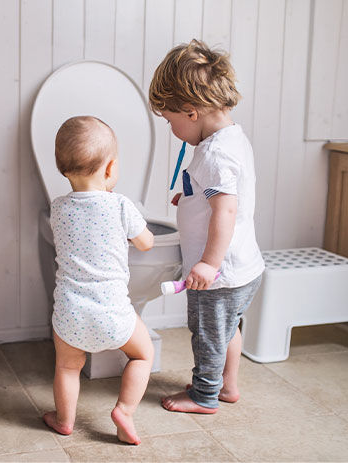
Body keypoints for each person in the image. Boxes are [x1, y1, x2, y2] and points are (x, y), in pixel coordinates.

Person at [148, 39, 265, 414]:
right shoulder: (230, 139)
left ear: (191, 111)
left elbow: (225, 211)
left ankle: (204, 395)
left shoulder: (215, 153)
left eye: (170, 120)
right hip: (244, 267)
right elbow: (226, 196)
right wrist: (192, 197)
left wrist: (208, 264)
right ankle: (227, 385)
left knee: (209, 335)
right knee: (227, 329)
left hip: (220, 272)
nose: (171, 128)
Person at [43, 115, 155, 445]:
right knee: (142, 355)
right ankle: (124, 410)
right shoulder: (121, 205)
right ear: (110, 170)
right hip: (113, 312)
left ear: (63, 168)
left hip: (70, 314)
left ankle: (64, 420)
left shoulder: (58, 208)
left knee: (66, 367)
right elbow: (147, 242)